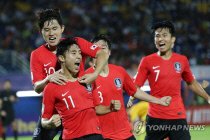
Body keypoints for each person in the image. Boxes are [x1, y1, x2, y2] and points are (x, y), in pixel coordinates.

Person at [30, 8, 108, 140]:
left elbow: (102, 53)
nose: (51, 33)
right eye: (46, 30)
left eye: (54, 28)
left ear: (62, 28)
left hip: (77, 110)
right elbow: (37, 87)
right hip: (53, 112)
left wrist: (95, 74)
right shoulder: (36, 55)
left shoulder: (75, 44)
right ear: (41, 32)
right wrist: (48, 79)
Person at [129, 20, 210, 140]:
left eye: (164, 35)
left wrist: (208, 98)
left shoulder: (182, 60)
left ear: (172, 39)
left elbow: (191, 83)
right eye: (157, 36)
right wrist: (131, 98)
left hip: (177, 116)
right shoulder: (147, 61)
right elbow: (135, 87)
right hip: (155, 118)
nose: (160, 39)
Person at [86, 34, 172, 140]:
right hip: (103, 135)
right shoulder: (87, 77)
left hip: (126, 133)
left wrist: (159, 101)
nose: (100, 51)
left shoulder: (119, 71)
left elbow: (135, 91)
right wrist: (110, 108)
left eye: (103, 47)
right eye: (96, 48)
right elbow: (92, 109)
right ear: (92, 53)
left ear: (109, 52)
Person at [41, 38, 103, 140]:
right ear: (61, 58)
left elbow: (97, 108)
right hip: (72, 137)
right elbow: (44, 121)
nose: (79, 56)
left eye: (79, 53)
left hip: (95, 136)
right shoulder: (51, 88)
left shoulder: (87, 80)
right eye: (73, 53)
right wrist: (49, 123)